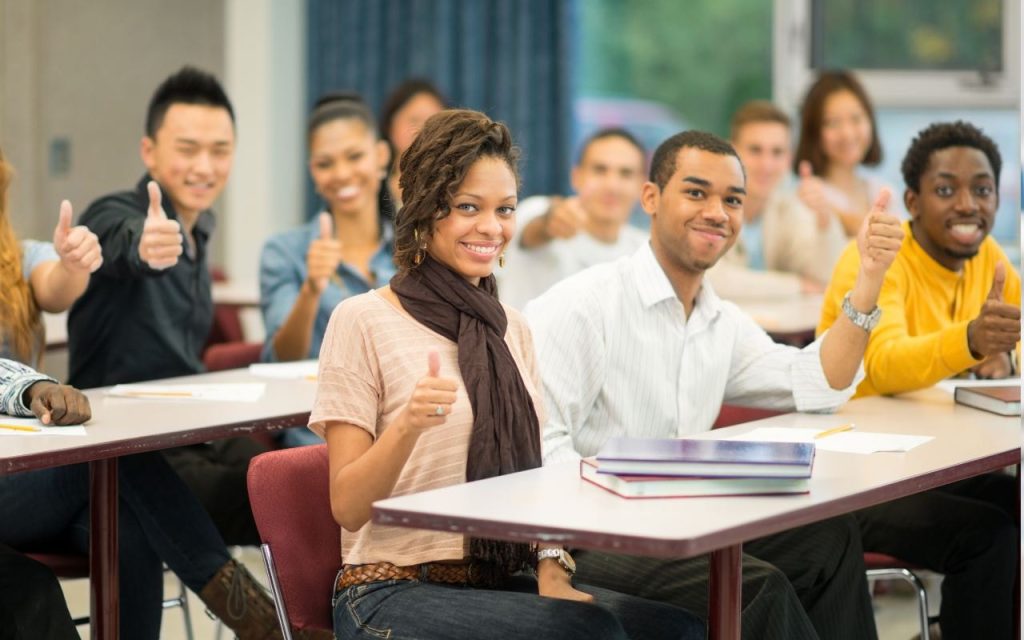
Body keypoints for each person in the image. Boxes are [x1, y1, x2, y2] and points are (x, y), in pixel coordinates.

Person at [310, 108, 703, 639]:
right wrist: (407, 425)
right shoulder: (361, 319)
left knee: (676, 628)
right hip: (389, 590)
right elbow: (348, 506)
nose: (492, 227)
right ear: (426, 210)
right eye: (468, 207)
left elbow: (538, 478)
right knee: (587, 633)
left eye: (506, 209)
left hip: (497, 577)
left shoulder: (512, 328)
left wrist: (551, 568)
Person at [526, 130, 905, 639]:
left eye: (732, 200)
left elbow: (819, 383)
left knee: (830, 538)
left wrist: (869, 278)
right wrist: (554, 555)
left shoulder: (718, 321)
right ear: (651, 199)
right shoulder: (585, 304)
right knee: (757, 585)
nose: (717, 212)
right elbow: (541, 447)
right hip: (592, 537)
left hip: (679, 519)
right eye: (697, 192)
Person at [817, 121, 1019, 639]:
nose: (968, 205)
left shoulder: (990, 261)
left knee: (1015, 509)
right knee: (990, 534)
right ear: (912, 199)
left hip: (937, 462)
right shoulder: (880, 259)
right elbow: (879, 363)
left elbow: (1014, 342)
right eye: (945, 190)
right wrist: (970, 342)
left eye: (982, 189)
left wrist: (1006, 360)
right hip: (856, 479)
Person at [67, 66, 264, 545]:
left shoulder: (201, 228)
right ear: (149, 152)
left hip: (187, 430)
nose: (204, 167)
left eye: (219, 151)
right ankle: (274, 619)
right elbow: (119, 241)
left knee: (290, 472)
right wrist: (145, 246)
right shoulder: (115, 212)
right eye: (187, 149)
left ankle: (291, 617)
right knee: (268, 497)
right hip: (121, 446)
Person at [0, 354, 319, 639]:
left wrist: (36, 388)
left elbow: (6, 375)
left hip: (22, 473)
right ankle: (263, 623)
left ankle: (263, 624)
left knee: (127, 526)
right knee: (116, 458)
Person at [496, 128, 649, 309]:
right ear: (576, 176)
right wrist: (550, 220)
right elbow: (535, 228)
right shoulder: (537, 209)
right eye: (600, 170)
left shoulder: (645, 252)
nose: (612, 185)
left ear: (643, 186)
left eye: (625, 174)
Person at [707, 100, 836, 299]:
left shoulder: (787, 207)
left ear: (789, 159)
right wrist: (797, 286)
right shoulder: (707, 207)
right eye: (755, 150)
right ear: (731, 153)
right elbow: (712, 279)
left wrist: (824, 220)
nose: (767, 165)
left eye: (777, 152)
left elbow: (825, 278)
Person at [793, 70, 891, 241]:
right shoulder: (807, 198)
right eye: (833, 122)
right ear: (813, 131)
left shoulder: (882, 191)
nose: (847, 133)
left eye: (856, 118)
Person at [378, 78, 447, 207]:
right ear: (390, 125)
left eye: (433, 122)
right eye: (414, 120)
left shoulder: (453, 187)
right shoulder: (373, 188)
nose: (422, 130)